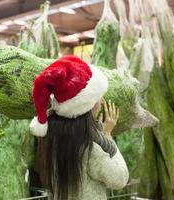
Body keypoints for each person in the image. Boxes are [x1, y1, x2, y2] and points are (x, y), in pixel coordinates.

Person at [30, 55, 129, 200]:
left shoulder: (52, 140)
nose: (101, 102)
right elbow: (121, 178)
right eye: (97, 98)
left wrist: (99, 130)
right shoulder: (89, 150)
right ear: (86, 106)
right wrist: (108, 135)